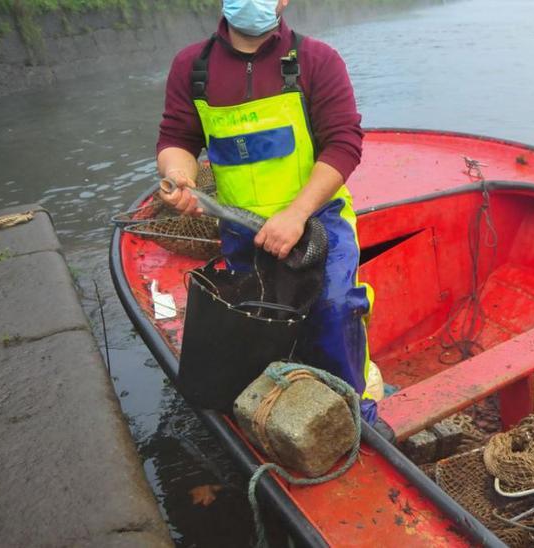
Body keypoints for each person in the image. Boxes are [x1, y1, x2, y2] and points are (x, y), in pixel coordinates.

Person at [155, 0, 379, 423]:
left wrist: (296, 214)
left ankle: (357, 416)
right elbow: (177, 137)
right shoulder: (192, 66)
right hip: (242, 230)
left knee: (333, 308)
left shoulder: (316, 60)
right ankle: (273, 410)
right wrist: (179, 176)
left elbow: (344, 143)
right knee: (259, 324)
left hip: (317, 221)